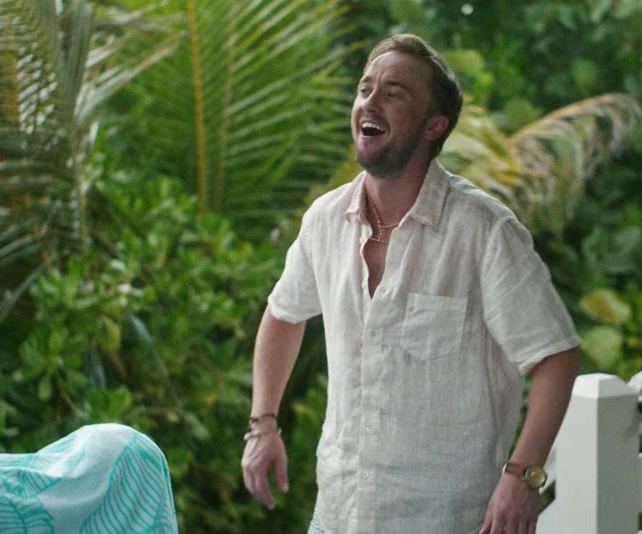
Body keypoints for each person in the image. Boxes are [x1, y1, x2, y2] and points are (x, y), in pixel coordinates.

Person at [240, 33, 582, 534]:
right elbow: (283, 314)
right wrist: (262, 424)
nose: (369, 102)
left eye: (393, 93)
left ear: (433, 125)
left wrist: (523, 477)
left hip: (447, 519)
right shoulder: (324, 220)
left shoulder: (484, 231)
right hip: (338, 515)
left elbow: (556, 355)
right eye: (365, 89)